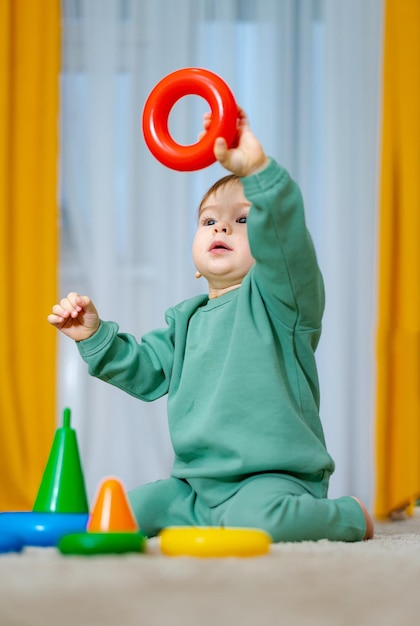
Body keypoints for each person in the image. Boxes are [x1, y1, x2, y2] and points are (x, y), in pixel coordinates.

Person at [48, 107, 374, 542]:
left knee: (263, 522)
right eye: (209, 220)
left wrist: (258, 172)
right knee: (127, 511)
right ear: (197, 263)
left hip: (272, 480)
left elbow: (288, 243)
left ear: (266, 247)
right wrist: (95, 335)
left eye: (242, 219)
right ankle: (210, 518)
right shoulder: (183, 321)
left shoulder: (282, 302)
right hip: (194, 489)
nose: (222, 224)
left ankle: (349, 516)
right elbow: (144, 371)